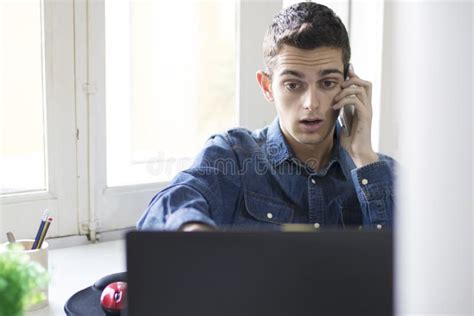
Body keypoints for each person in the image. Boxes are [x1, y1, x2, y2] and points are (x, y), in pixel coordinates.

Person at [137, 2, 395, 232]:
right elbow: (164, 210)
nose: (311, 103)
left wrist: (364, 158)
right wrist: (192, 232)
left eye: (327, 83)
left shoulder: (382, 173)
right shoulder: (233, 155)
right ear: (266, 87)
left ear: (349, 85)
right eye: (293, 85)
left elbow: (411, 268)